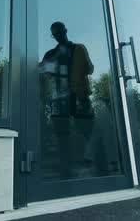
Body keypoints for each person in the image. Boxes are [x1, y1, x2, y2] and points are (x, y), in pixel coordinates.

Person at [39, 21, 96, 178]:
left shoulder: (79, 48)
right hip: (59, 99)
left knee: (86, 130)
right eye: (55, 34)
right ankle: (66, 166)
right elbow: (41, 71)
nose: (58, 36)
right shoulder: (50, 55)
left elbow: (90, 69)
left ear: (65, 31)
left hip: (79, 96)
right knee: (62, 134)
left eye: (59, 32)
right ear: (53, 36)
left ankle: (87, 160)